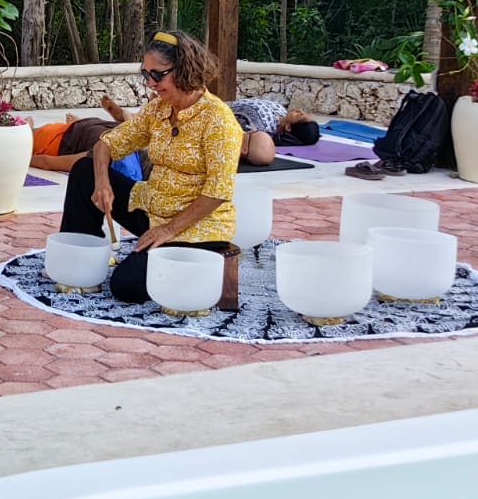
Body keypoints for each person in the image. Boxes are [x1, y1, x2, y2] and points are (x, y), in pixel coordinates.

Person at [61, 30, 241, 309]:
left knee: (125, 285)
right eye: (146, 74)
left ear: (185, 69)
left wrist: (169, 229)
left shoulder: (219, 120)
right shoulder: (157, 110)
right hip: (151, 208)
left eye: (158, 75)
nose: (150, 84)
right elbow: (105, 144)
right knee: (85, 170)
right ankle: (80, 260)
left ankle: (196, 276)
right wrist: (102, 183)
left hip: (196, 227)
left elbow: (218, 191)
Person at [100, 94, 317, 167]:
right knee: (153, 120)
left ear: (288, 127)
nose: (298, 110)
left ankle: (128, 119)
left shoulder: (260, 128)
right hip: (215, 108)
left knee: (159, 123)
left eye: (300, 115)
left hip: (209, 115)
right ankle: (129, 119)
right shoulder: (279, 110)